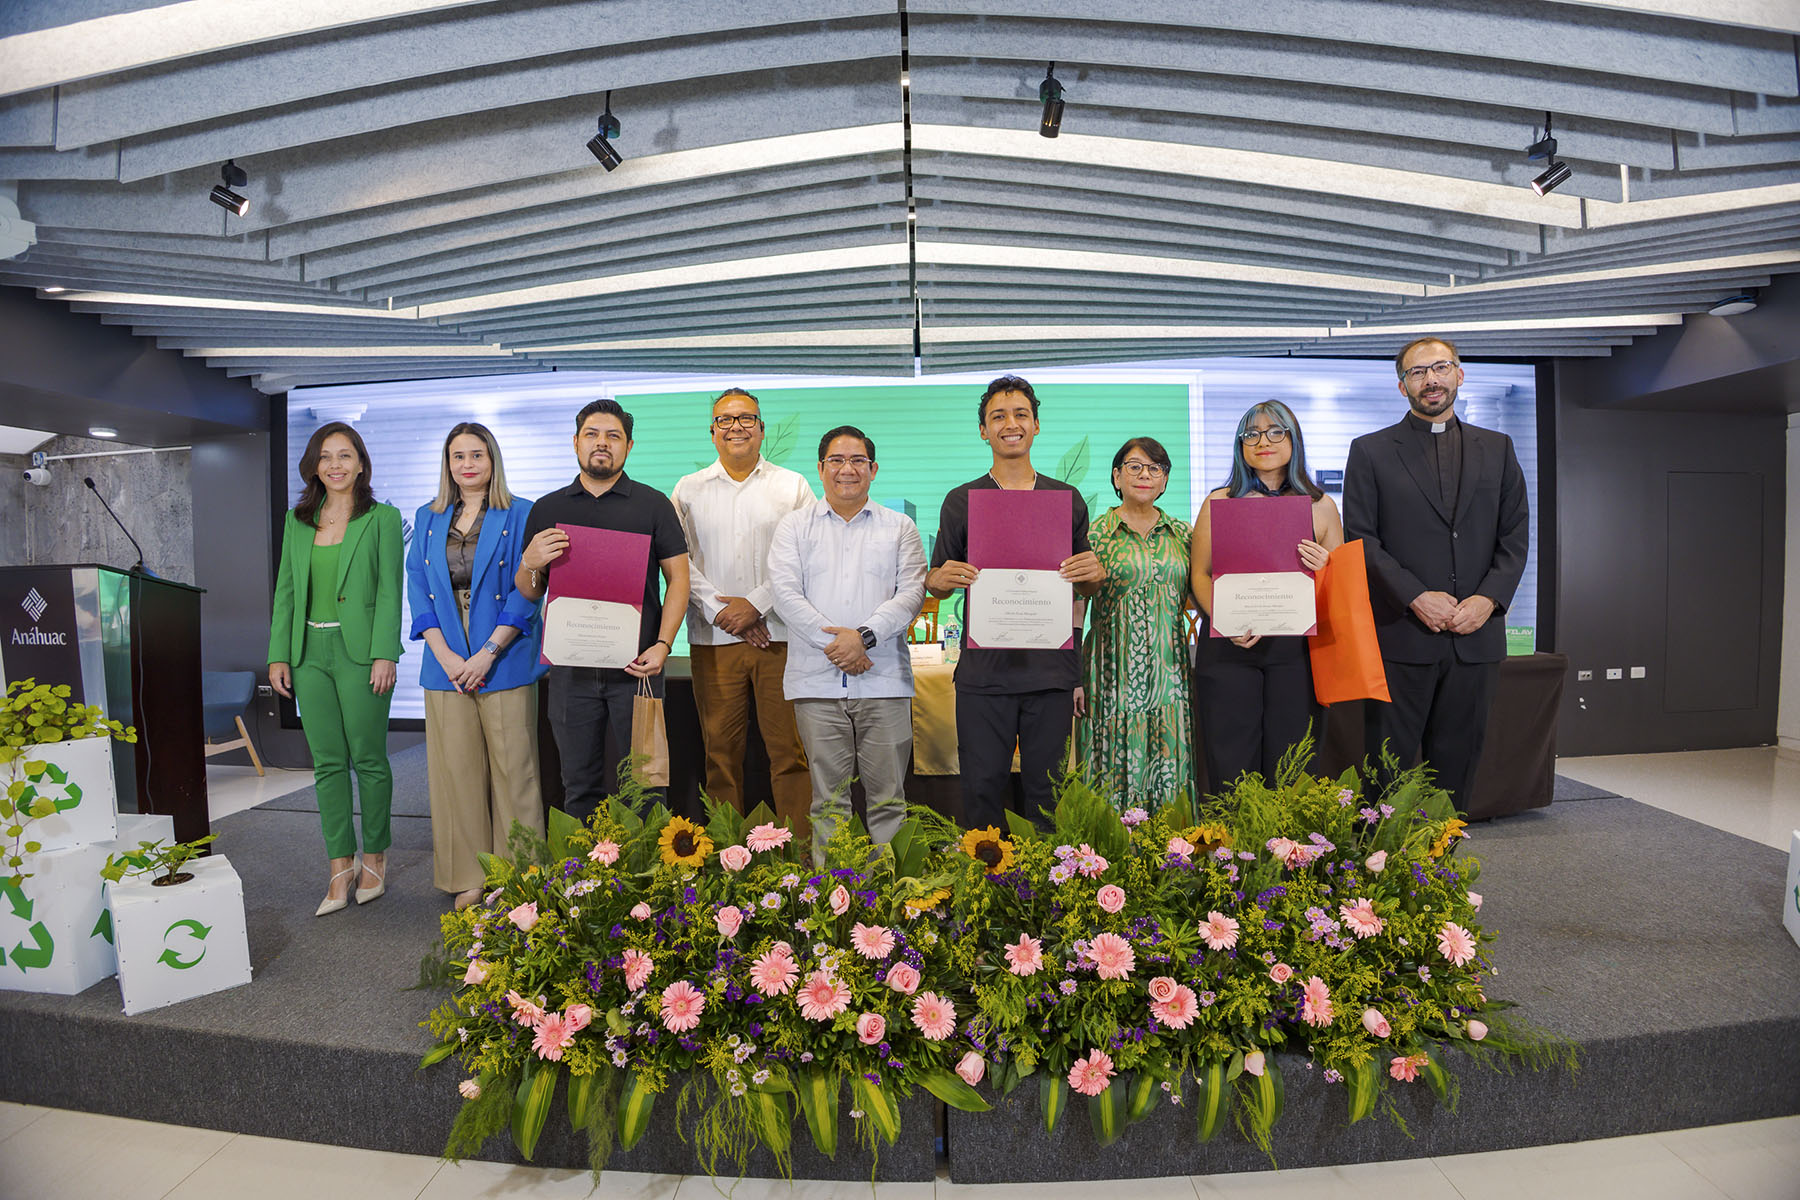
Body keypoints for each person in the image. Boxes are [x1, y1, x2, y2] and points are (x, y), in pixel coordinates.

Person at [1343, 337, 1528, 811]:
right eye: (1418, 372)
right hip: (1401, 635)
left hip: (1475, 635)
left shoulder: (1499, 448)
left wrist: (1488, 600)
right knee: (1386, 770)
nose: (1431, 379)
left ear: (1459, 375)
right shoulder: (1370, 451)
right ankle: (1382, 857)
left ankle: (1443, 855)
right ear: (1402, 385)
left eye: (1441, 367)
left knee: (1458, 768)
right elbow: (1361, 539)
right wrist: (1415, 596)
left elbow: (1514, 537)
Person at [926, 375, 1106, 830]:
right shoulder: (962, 501)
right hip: (984, 675)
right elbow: (937, 581)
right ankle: (988, 875)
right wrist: (939, 579)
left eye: (1021, 414)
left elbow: (1083, 587)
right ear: (983, 430)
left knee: (1047, 796)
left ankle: (1046, 875)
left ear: (1037, 425)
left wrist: (1093, 576)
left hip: (1050, 675)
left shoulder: (1065, 499)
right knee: (982, 789)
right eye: (998, 416)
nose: (1011, 424)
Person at [515, 399, 690, 822]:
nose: (602, 443)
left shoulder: (653, 505)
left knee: (647, 784)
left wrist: (663, 645)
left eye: (613, 436)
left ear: (628, 446)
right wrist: (529, 562)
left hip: (638, 671)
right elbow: (529, 591)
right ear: (575, 442)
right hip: (570, 673)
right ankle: (584, 867)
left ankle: (650, 867)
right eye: (592, 434)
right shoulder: (548, 508)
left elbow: (679, 580)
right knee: (578, 786)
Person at [767, 426, 927, 866]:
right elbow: (785, 595)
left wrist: (864, 638)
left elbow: (911, 594)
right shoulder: (794, 527)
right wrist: (840, 646)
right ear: (821, 469)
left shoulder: (900, 527)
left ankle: (893, 896)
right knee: (828, 803)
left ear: (873, 469)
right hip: (816, 684)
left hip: (884, 681)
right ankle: (834, 898)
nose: (847, 469)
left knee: (889, 801)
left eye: (857, 460)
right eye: (836, 460)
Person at [406, 423, 546, 910]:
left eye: (477, 455)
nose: (467, 464)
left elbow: (531, 590)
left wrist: (488, 651)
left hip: (505, 652)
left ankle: (519, 877)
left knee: (515, 771)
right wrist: (445, 655)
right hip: (445, 657)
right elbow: (418, 588)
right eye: (458, 456)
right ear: (447, 464)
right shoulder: (426, 517)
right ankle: (467, 875)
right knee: (456, 774)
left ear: (493, 460)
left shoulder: (523, 513)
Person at [267, 421, 403, 916]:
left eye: (345, 455)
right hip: (309, 653)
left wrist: (385, 652)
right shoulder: (297, 520)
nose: (335, 465)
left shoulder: (382, 518)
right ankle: (339, 866)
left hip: (361, 654)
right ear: (314, 466)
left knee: (368, 759)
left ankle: (375, 858)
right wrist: (279, 654)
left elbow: (390, 590)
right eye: (325, 457)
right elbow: (286, 589)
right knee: (326, 763)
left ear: (361, 464)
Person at [671, 388, 816, 838]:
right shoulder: (688, 489)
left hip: (781, 636)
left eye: (746, 418)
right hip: (714, 639)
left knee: (790, 752)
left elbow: (807, 554)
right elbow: (678, 561)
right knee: (720, 753)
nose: (736, 426)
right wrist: (723, 612)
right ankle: (727, 854)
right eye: (725, 419)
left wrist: (755, 605)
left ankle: (800, 853)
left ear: (762, 428)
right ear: (712, 431)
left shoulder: (793, 486)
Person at [1190, 401, 1344, 792]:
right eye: (1252, 434)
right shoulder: (1219, 502)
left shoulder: (1321, 507)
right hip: (1229, 647)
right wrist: (1224, 619)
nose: (1263, 442)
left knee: (1293, 764)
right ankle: (1232, 836)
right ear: (1240, 445)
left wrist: (1326, 565)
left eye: (1275, 431)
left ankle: (1288, 835)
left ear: (1294, 440)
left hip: (1297, 652)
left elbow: (1339, 586)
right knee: (1230, 763)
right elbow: (1200, 574)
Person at [1076, 437, 1193, 813]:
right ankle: (1110, 846)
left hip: (1170, 677)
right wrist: (1072, 675)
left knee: (1170, 769)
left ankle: (1172, 846)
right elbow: (1075, 606)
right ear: (1116, 476)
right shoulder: (1094, 535)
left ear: (1165, 480)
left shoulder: (1184, 535)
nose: (1145, 475)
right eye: (1134, 466)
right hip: (1111, 677)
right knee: (1112, 771)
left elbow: (1203, 592)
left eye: (1155, 468)